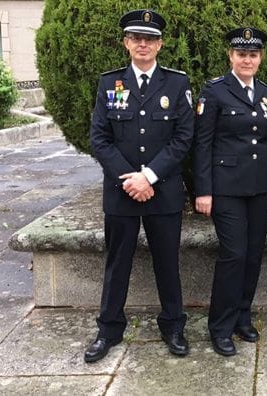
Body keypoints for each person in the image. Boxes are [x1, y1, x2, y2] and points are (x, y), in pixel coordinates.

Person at [85, 9, 194, 362]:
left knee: (167, 261)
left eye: (150, 39)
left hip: (162, 191)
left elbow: (183, 138)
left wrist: (148, 176)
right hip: (121, 192)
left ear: (160, 44)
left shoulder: (177, 84)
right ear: (126, 43)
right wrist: (130, 179)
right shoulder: (109, 83)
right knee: (117, 262)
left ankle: (174, 325)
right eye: (136, 38)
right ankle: (109, 329)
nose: (143, 44)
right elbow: (100, 139)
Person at [193, 27, 267, 357]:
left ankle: (243, 316)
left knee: (254, 253)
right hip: (226, 188)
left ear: (260, 58)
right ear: (231, 56)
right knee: (234, 254)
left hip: (260, 187)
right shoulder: (215, 91)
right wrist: (204, 190)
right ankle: (220, 326)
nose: (247, 59)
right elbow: (202, 144)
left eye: (253, 54)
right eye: (241, 54)